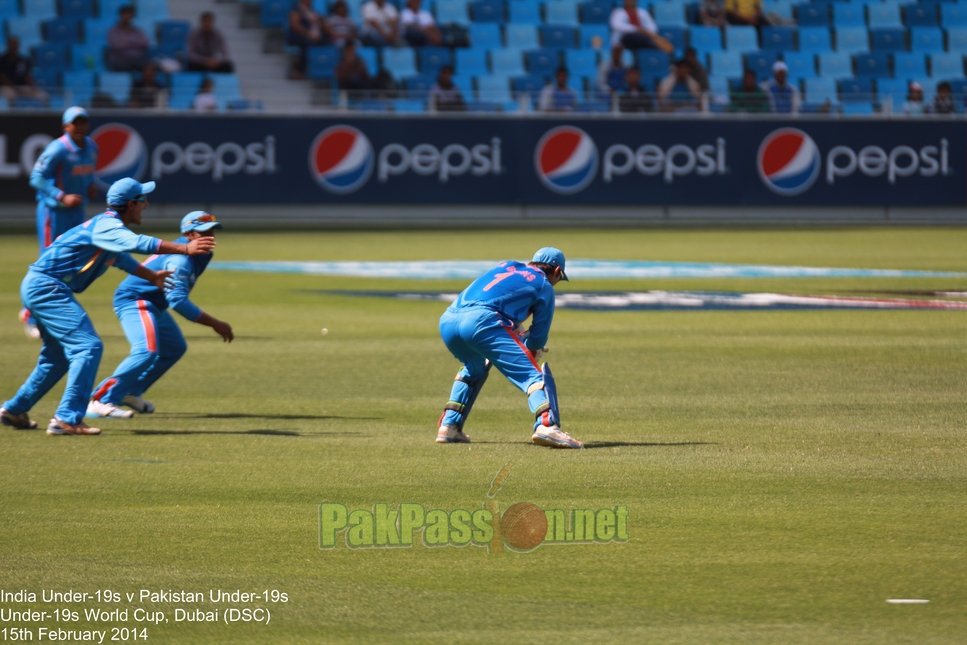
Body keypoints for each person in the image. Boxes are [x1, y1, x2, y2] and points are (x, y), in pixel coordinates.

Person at [0, 178, 216, 435]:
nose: (146, 204)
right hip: (47, 287)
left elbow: (120, 258)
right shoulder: (108, 225)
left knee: (57, 357)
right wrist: (184, 248)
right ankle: (67, 418)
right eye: (142, 200)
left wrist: (153, 277)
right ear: (130, 204)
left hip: (41, 285)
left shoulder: (106, 228)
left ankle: (15, 409)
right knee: (88, 347)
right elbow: (137, 243)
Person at [436, 248, 583, 449]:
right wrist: (532, 347)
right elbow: (538, 336)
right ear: (557, 270)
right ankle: (547, 426)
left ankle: (449, 426)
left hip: (449, 320)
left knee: (474, 369)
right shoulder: (544, 285)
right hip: (482, 322)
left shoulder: (507, 265)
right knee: (532, 376)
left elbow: (497, 297)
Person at [89, 212, 232, 417]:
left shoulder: (202, 254)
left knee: (175, 348)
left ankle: (129, 391)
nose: (210, 236)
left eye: (212, 231)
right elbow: (178, 301)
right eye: (203, 232)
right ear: (189, 234)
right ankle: (101, 399)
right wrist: (215, 324)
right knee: (146, 350)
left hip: (154, 304)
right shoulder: (179, 260)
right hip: (135, 301)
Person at [20, 107, 99, 340]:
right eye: (75, 123)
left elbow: (88, 173)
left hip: (77, 213)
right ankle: (30, 315)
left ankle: (53, 313)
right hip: (53, 214)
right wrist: (60, 196)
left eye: (83, 121)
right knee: (47, 266)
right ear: (66, 127)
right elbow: (36, 177)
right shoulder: (58, 148)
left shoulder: (92, 147)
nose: (80, 126)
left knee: (71, 264)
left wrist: (90, 184)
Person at [287, 0, 328, 76]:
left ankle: (322, 68)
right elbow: (295, 25)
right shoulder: (296, 9)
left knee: (326, 42)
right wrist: (308, 34)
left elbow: (320, 22)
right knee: (309, 44)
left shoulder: (312, 11)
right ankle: (299, 70)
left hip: (311, 35)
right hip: (297, 35)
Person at [0, 36, 46, 102]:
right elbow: (3, 78)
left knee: (42, 95)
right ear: (8, 45)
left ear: (18, 45)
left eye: (14, 44)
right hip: (6, 88)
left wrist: (33, 88)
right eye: (11, 44)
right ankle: (13, 112)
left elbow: (27, 76)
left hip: (22, 86)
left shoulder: (23, 60)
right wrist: (17, 91)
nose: (13, 46)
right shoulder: (2, 60)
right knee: (10, 95)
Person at [107, 5, 150, 72]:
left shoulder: (138, 31)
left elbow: (145, 43)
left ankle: (143, 82)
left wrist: (126, 41)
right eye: (125, 14)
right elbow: (117, 46)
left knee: (150, 67)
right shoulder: (113, 31)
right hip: (121, 60)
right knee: (123, 67)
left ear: (132, 16)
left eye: (129, 14)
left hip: (138, 59)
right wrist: (135, 42)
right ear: (120, 15)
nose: (127, 16)